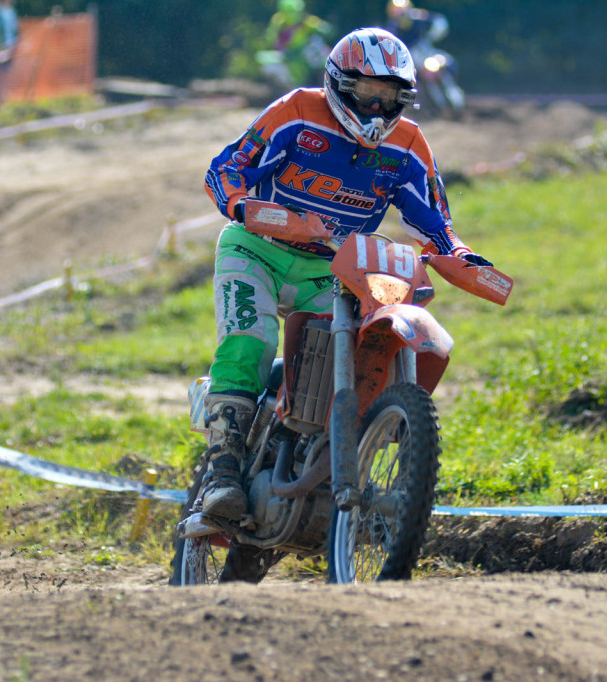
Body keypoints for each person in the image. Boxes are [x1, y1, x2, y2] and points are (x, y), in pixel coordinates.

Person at [198, 27, 492, 519]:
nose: (378, 109)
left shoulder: (409, 143)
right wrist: (241, 204)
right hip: (256, 249)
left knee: (344, 356)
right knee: (251, 340)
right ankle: (222, 470)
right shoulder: (294, 112)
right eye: (369, 94)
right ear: (339, 83)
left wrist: (460, 254)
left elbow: (435, 220)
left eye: (391, 97)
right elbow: (227, 166)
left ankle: (304, 447)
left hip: (331, 268)